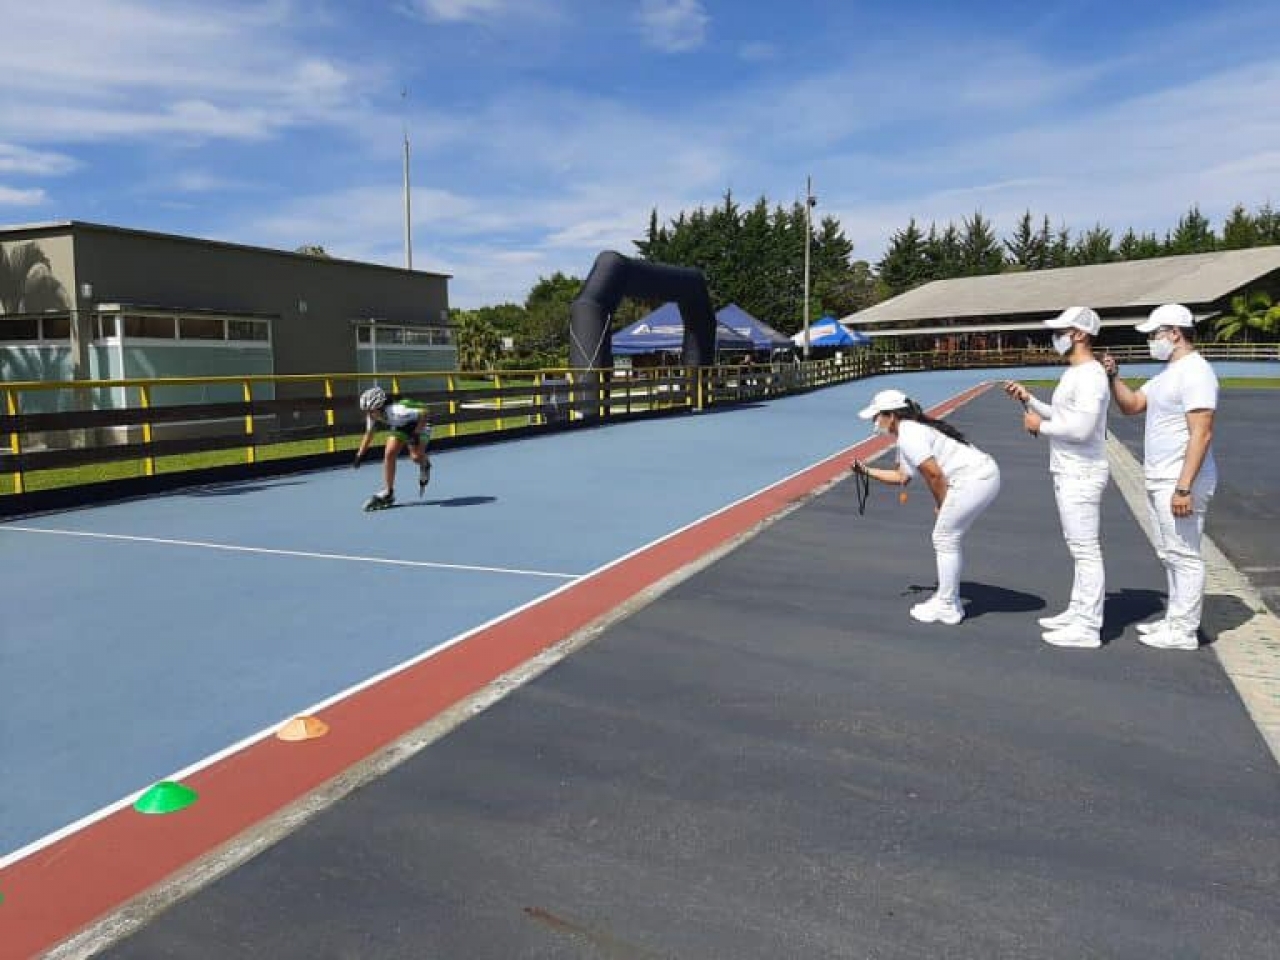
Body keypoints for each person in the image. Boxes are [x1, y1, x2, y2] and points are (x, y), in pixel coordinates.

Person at [1103, 303, 1218, 650]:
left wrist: (1184, 487)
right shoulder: (1169, 374)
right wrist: (1113, 377)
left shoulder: (1196, 372)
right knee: (1170, 552)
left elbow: (1202, 433)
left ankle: (1184, 630)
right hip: (1160, 476)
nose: (1152, 340)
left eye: (1155, 334)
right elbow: (1133, 405)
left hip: (1181, 479)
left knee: (1184, 553)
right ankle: (1175, 620)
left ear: (1174, 333)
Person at [1003, 306, 1111, 649]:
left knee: (1085, 550)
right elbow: (1063, 415)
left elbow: (1081, 428)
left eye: (1062, 330)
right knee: (1078, 547)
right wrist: (1030, 401)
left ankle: (1089, 625)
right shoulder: (1076, 373)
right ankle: (1078, 611)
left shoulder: (1091, 375)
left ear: (1079, 334)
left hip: (1081, 471)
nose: (1057, 337)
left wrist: (1040, 426)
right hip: (1068, 469)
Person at [851, 389, 1001, 625]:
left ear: (891, 416)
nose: (874, 422)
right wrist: (866, 471)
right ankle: (947, 598)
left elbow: (934, 474)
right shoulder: (909, 432)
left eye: (876, 416)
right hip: (981, 476)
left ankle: (948, 605)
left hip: (974, 479)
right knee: (947, 537)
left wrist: (941, 505)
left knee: (944, 538)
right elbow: (902, 477)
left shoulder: (909, 434)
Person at [353, 386, 432, 510]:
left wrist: (416, 433)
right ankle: (388, 492)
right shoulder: (373, 415)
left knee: (415, 457)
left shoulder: (398, 411)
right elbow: (369, 434)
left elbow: (425, 413)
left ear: (380, 406)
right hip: (400, 425)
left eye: (371, 410)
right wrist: (359, 455)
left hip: (419, 422)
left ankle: (425, 464)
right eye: (366, 411)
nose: (369, 414)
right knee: (389, 453)